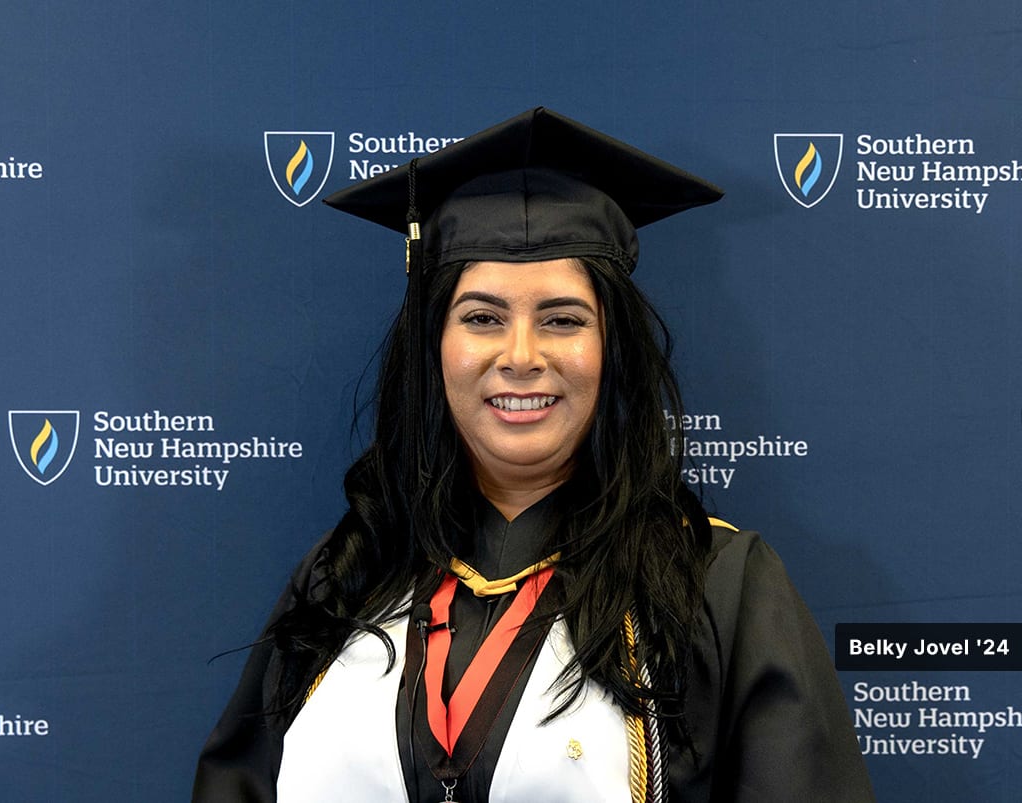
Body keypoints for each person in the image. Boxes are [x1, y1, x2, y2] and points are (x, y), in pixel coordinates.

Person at [195, 108, 873, 802]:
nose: (521, 356)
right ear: (435, 348)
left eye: (562, 319)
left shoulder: (716, 590)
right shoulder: (350, 575)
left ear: (613, 350)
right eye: (483, 317)